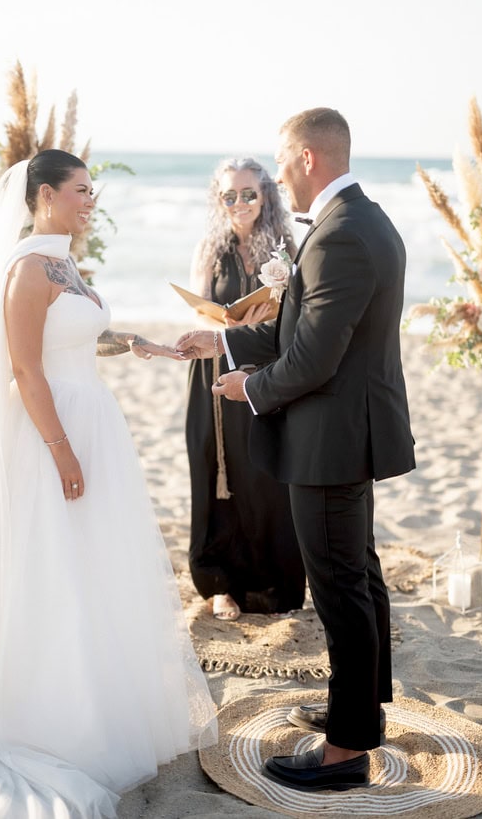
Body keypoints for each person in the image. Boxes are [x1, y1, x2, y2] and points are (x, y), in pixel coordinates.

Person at [0, 150, 215, 817]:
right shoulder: (25, 269)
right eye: (79, 190)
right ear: (42, 195)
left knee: (90, 568)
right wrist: (61, 451)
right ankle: (46, 715)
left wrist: (145, 343)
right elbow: (26, 369)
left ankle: (94, 699)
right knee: (49, 569)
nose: (90, 199)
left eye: (91, 189)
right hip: (54, 435)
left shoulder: (66, 262)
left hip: (94, 425)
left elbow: (73, 339)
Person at [176, 108, 415, 791]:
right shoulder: (360, 220)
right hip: (348, 431)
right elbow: (299, 329)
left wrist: (247, 389)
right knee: (358, 573)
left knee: (340, 585)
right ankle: (359, 710)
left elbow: (308, 359)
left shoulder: (341, 235)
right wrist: (221, 340)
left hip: (332, 439)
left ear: (309, 159)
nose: (278, 177)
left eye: (281, 164)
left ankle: (346, 752)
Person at [186, 156, 305, 621]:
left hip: (264, 370)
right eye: (229, 195)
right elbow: (197, 309)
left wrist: (263, 322)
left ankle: (271, 580)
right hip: (212, 367)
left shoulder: (284, 247)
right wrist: (226, 323)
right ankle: (221, 583)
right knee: (216, 473)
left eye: (248, 193)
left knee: (263, 474)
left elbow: (296, 316)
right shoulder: (209, 248)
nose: (239, 203)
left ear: (266, 196)